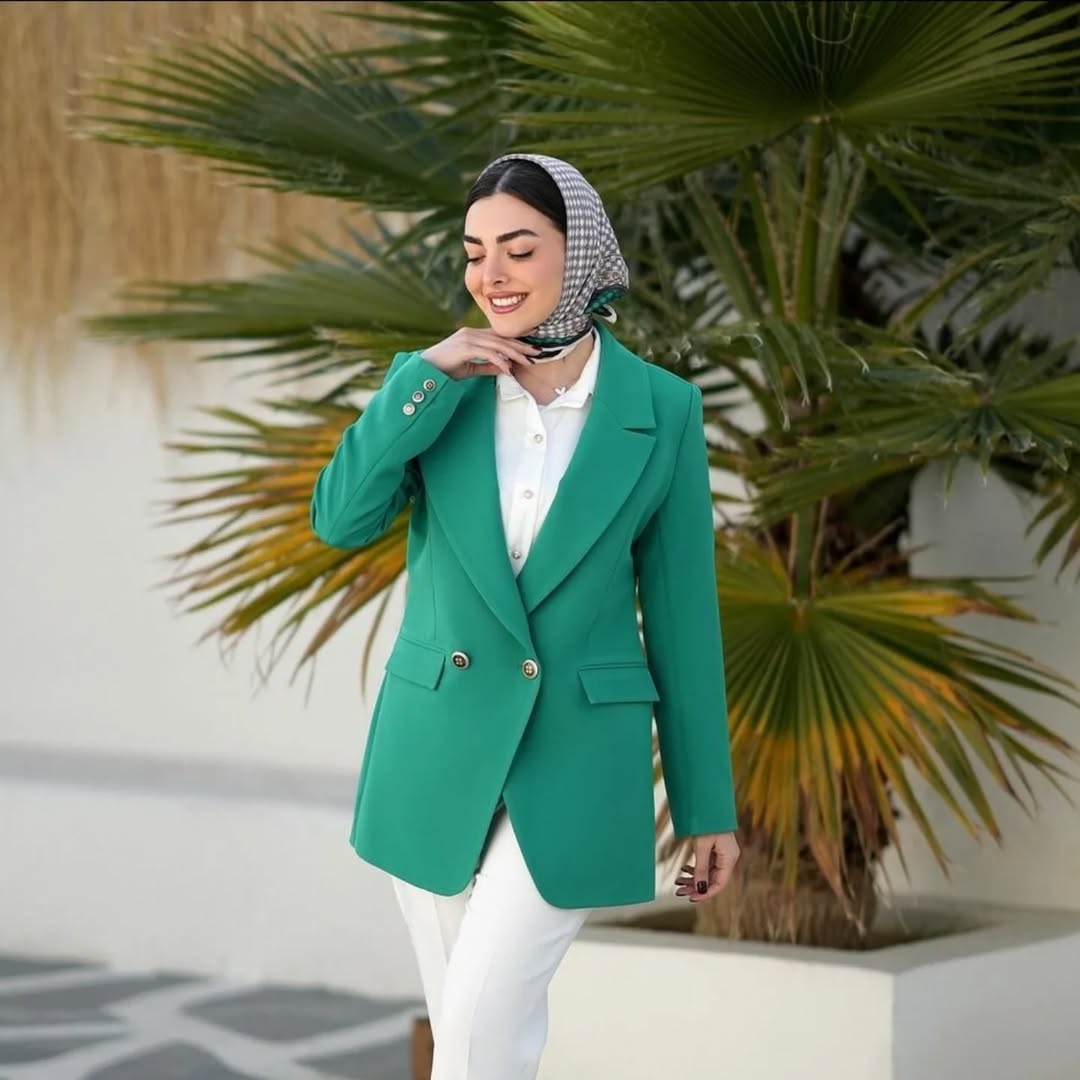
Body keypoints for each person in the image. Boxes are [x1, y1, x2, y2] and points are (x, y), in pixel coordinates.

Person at [310, 152, 740, 1080]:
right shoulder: (440, 391)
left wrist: (707, 804)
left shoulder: (662, 410)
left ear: (577, 252)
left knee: (476, 1030)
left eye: (518, 248)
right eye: (475, 253)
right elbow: (339, 520)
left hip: (579, 756)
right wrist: (424, 374)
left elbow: (682, 620)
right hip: (436, 748)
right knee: (477, 1039)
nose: (491, 275)